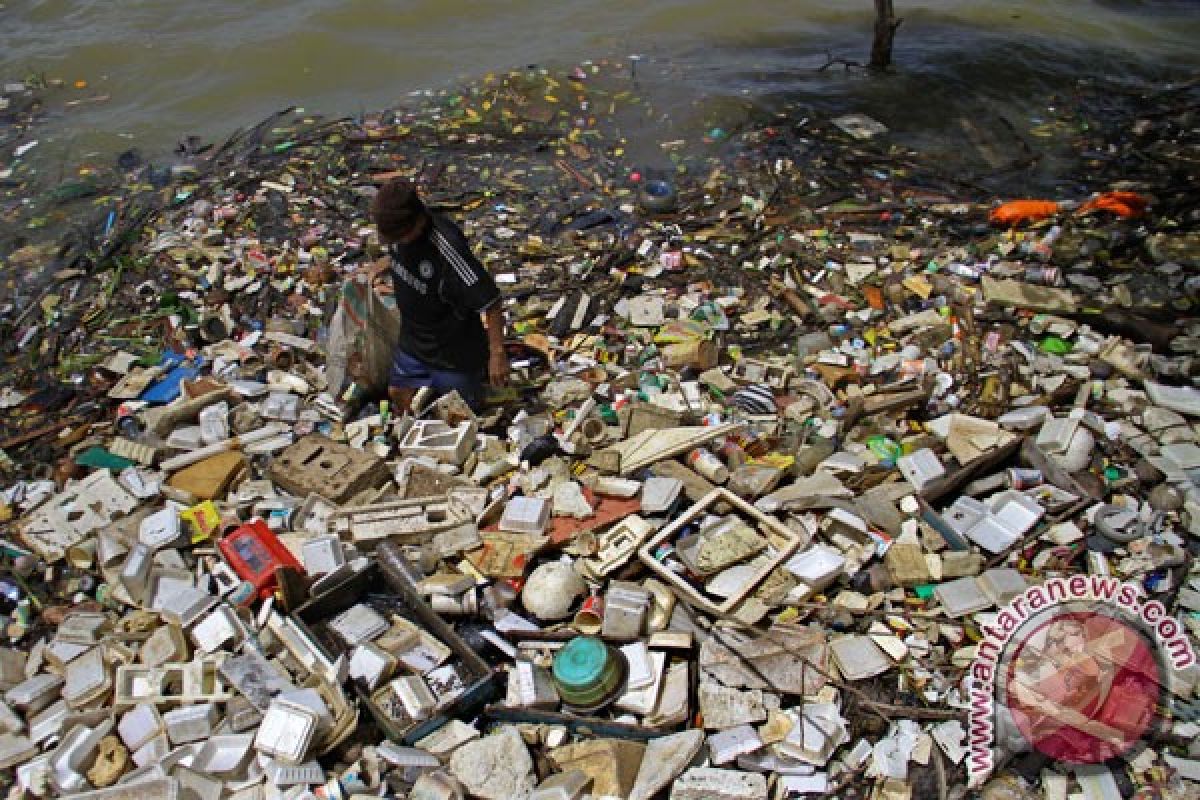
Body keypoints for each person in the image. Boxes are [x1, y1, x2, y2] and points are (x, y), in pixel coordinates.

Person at [369, 178, 507, 412]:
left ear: (418, 223)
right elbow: (400, 254)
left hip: (453, 354)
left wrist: (497, 354)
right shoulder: (396, 233)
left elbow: (491, 301)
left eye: (398, 238)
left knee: (460, 414)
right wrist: (384, 265)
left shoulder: (447, 249)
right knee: (399, 398)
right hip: (412, 342)